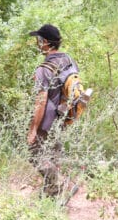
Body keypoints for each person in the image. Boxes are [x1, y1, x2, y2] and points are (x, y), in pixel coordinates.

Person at [26, 24, 80, 204]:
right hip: (64, 117)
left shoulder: (44, 69)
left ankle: (59, 185)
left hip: (47, 120)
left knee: (34, 154)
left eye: (39, 40)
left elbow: (41, 101)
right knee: (53, 155)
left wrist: (33, 129)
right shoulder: (69, 60)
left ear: (46, 43)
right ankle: (52, 195)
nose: (37, 43)